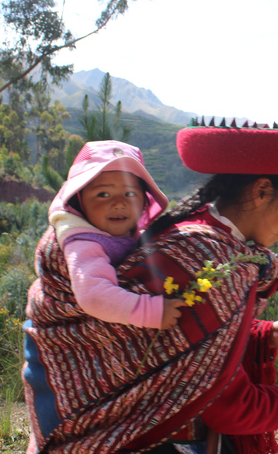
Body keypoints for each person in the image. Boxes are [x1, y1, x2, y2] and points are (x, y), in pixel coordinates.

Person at [23, 118, 278, 454]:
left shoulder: (201, 238)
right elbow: (222, 405)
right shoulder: (206, 258)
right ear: (261, 192)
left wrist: (261, 334)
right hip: (135, 452)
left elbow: (181, 340)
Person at [37, 139, 182, 329]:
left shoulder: (121, 231)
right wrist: (150, 311)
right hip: (49, 340)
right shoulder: (82, 242)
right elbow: (93, 296)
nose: (119, 204)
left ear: (143, 201)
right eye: (103, 194)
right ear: (79, 201)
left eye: (130, 194)